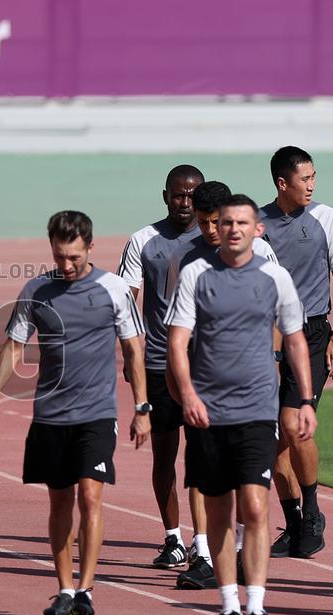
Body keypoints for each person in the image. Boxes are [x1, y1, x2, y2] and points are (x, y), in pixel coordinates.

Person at [0, 211, 149, 615]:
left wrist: (142, 408)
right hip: (51, 415)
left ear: (90, 247)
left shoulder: (113, 289)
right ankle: (63, 588)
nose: (67, 265)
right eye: (60, 256)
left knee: (90, 496)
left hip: (96, 413)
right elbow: (14, 347)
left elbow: (133, 350)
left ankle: (86, 590)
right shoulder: (37, 290)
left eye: (74, 256)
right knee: (59, 503)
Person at [166, 194, 316, 615]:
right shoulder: (196, 274)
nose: (232, 229)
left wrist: (304, 399)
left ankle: (256, 607)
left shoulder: (275, 277)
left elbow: (294, 340)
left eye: (241, 222)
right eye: (226, 222)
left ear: (257, 229)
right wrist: (188, 394)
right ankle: (228, 606)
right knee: (219, 513)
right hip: (208, 414)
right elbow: (177, 343)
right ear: (216, 227)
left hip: (256, 411)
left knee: (254, 507)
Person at [165, 180, 277, 591]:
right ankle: (204, 554)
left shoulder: (261, 255)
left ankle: (247, 554)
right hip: (202, 379)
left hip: (253, 384)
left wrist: (271, 365)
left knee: (250, 490)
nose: (213, 231)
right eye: (205, 222)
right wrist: (178, 379)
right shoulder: (185, 260)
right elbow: (177, 327)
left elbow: (280, 319)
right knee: (203, 476)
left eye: (218, 221)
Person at [260, 147, 333, 558]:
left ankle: (314, 511)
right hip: (267, 338)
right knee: (272, 442)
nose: (312, 185)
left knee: (295, 423)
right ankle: (295, 523)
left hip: (314, 333)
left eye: (314, 176)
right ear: (283, 183)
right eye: (305, 178)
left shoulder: (327, 218)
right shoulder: (258, 224)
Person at [118, 164, 205, 569]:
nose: (184, 202)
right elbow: (125, 304)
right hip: (157, 364)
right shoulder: (143, 241)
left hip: (206, 367)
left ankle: (202, 545)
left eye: (192, 195)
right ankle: (173, 537)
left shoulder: (216, 238)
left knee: (203, 458)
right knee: (164, 456)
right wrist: (130, 356)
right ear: (165, 195)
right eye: (177, 194)